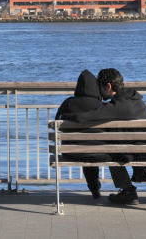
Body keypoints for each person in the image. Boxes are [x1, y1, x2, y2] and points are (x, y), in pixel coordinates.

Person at [63, 68, 146, 205]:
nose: (99, 92)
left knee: (111, 151)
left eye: (100, 87)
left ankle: (128, 191)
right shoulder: (133, 98)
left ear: (108, 86)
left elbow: (90, 116)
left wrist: (67, 117)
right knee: (134, 154)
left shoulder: (118, 106)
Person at [54, 70, 109, 199]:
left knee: (85, 149)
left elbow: (57, 124)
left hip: (71, 153)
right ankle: (98, 189)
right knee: (92, 149)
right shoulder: (102, 105)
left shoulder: (68, 103)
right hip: (101, 153)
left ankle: (94, 189)